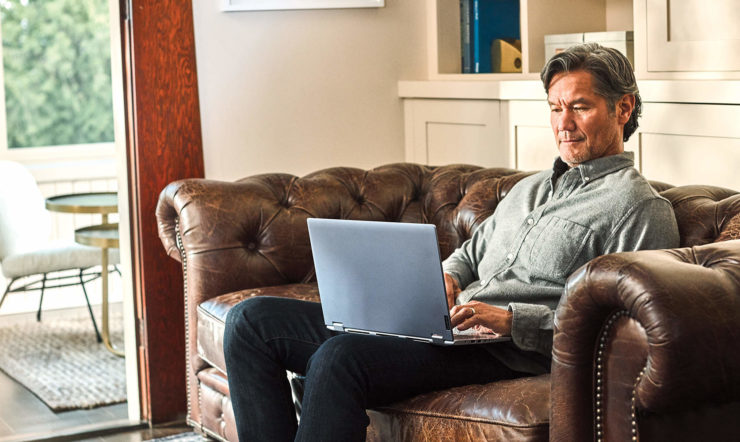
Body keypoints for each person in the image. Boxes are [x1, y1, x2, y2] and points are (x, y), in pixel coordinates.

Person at [223, 43, 680, 442]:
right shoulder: (532, 188)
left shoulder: (639, 208)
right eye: (555, 107)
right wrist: (448, 275)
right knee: (250, 322)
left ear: (623, 108)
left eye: (580, 107)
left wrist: (511, 320)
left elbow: (626, 329)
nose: (564, 123)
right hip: (450, 328)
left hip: (505, 352)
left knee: (342, 358)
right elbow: (472, 252)